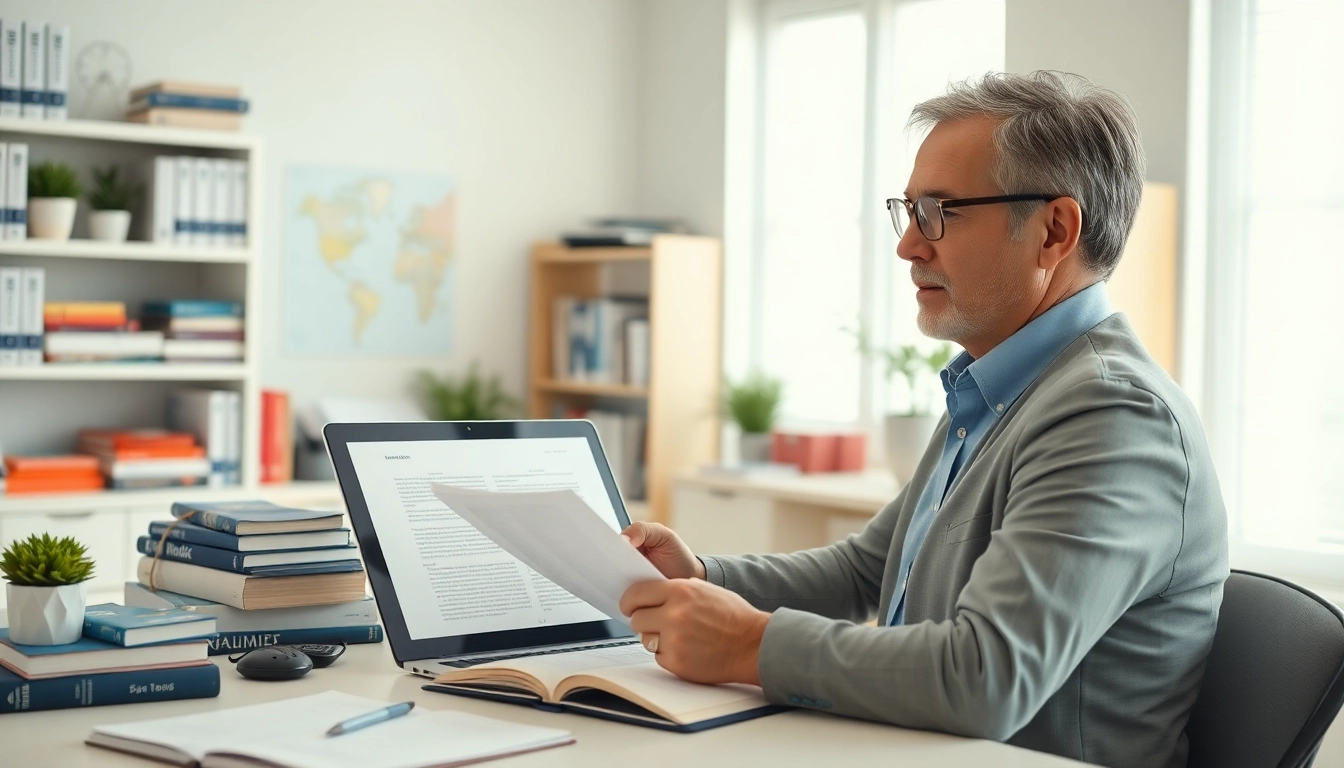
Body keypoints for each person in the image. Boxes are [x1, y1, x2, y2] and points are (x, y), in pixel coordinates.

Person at [618, 71, 1229, 768]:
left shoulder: (1114, 415)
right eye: (907, 211)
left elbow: (986, 677)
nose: (910, 245)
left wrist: (752, 643)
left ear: (1053, 230)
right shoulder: (999, 387)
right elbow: (867, 571)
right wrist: (699, 575)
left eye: (939, 212)